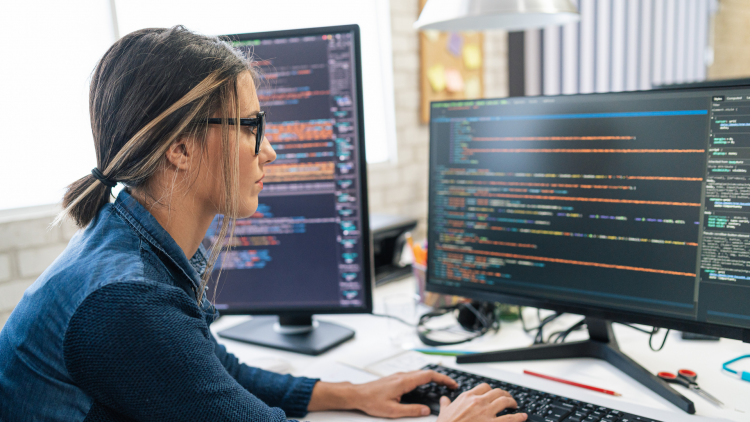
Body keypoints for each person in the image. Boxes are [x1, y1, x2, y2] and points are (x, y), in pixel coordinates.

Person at [0, 26, 526, 422]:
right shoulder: (125, 302)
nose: (269, 150)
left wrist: (351, 393)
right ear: (180, 147)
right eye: (252, 126)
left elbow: (211, 369)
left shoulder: (128, 241)